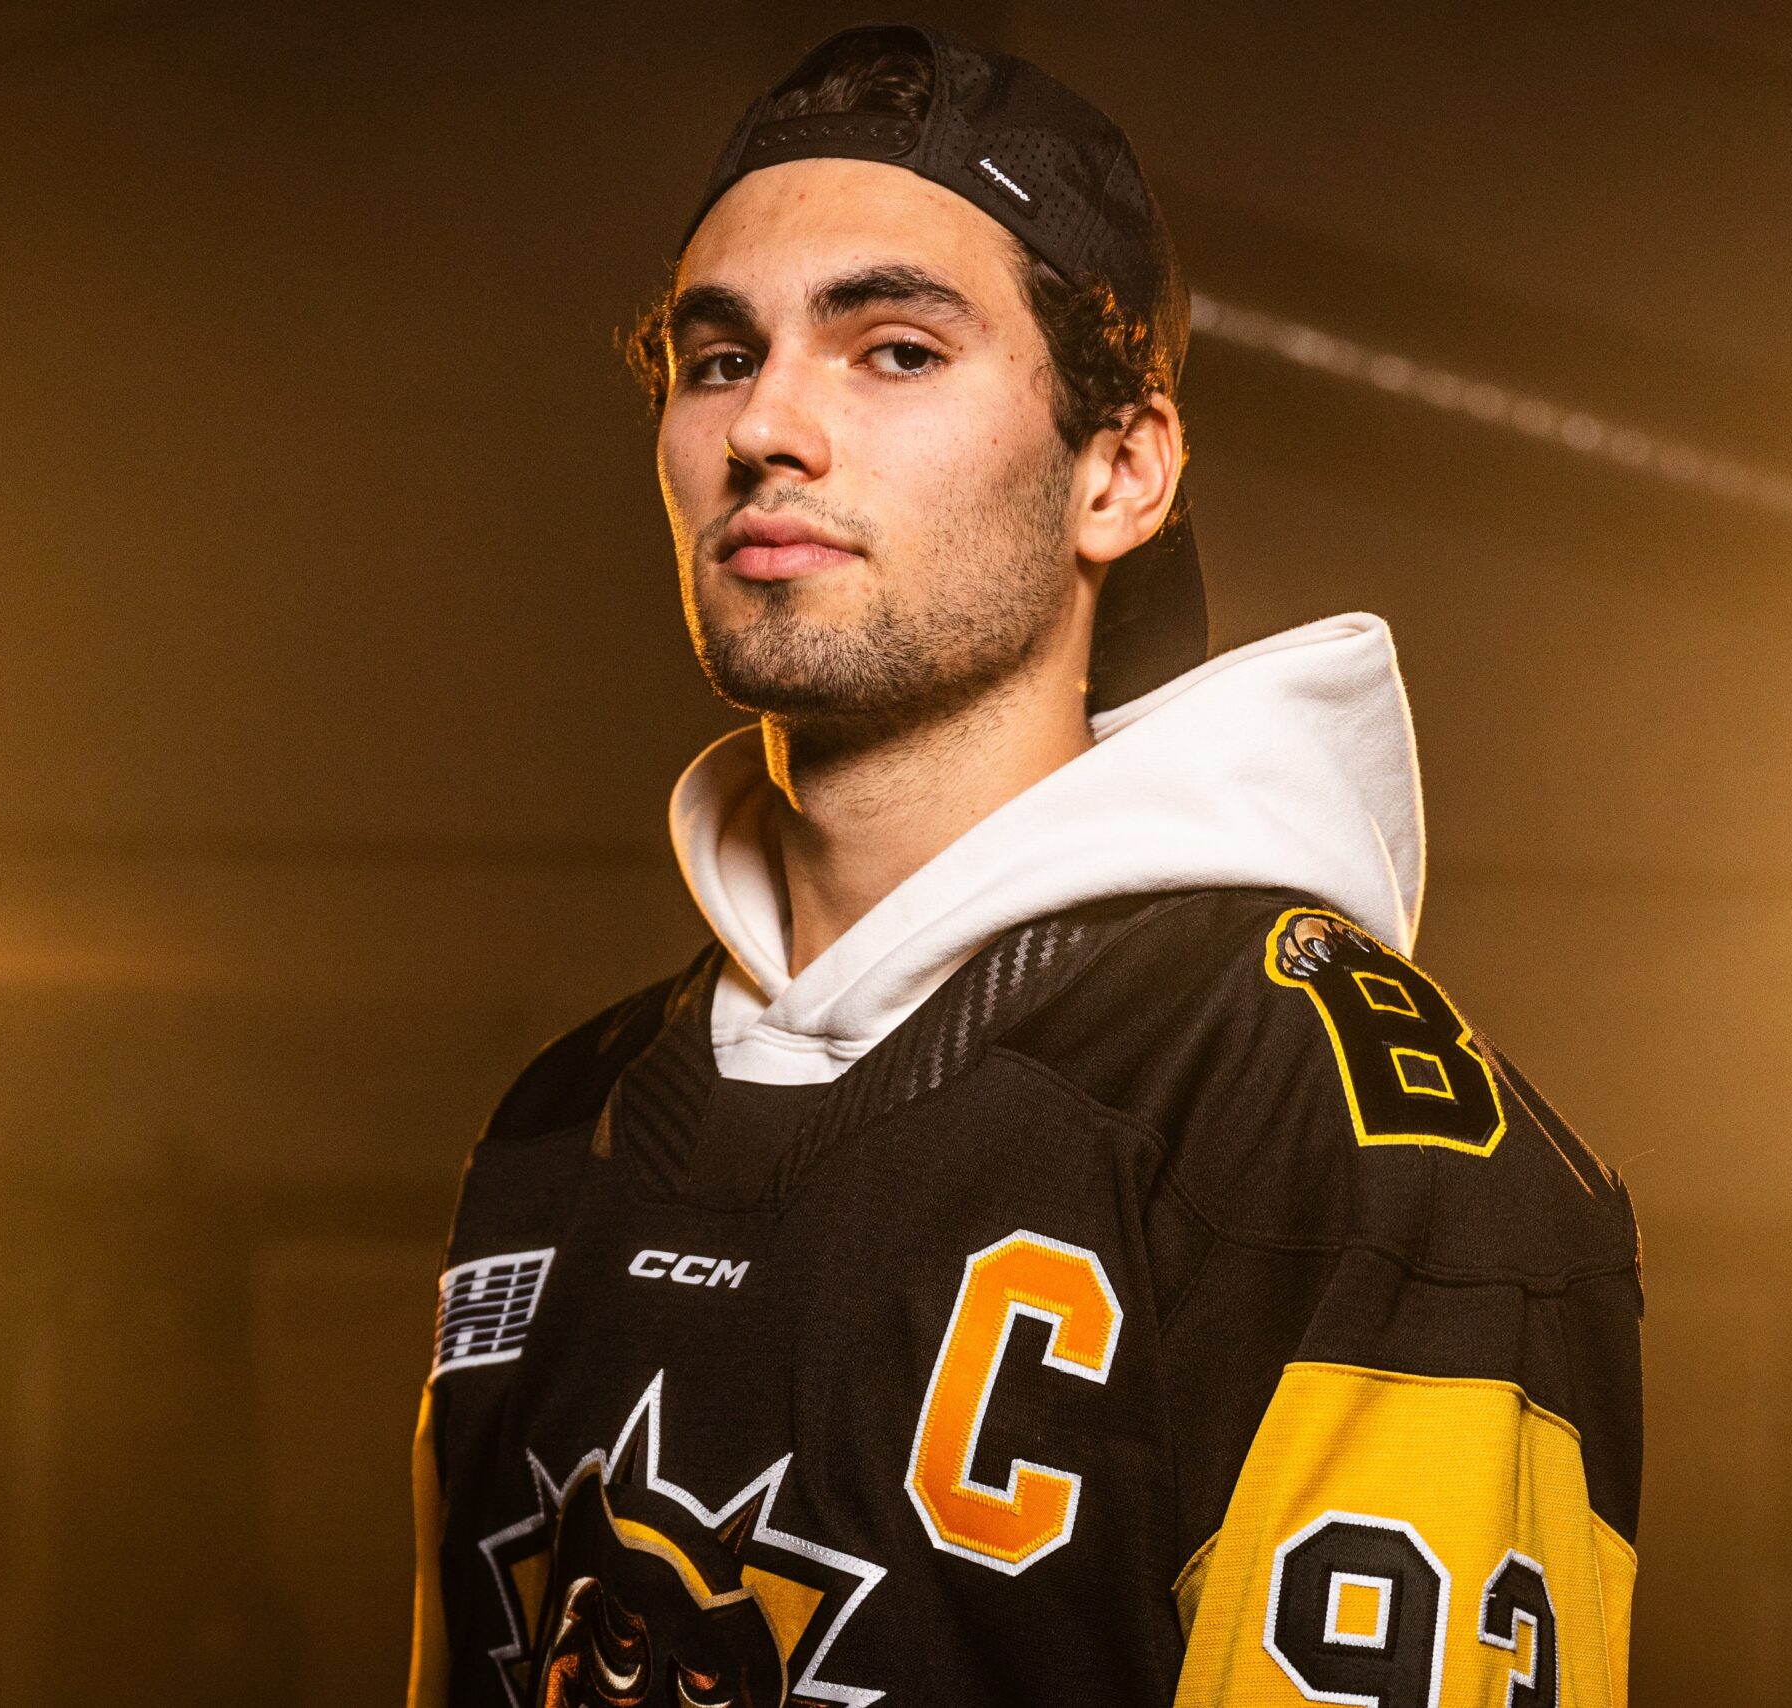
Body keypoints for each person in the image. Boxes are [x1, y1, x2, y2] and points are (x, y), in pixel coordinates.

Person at [410, 22, 1641, 1708]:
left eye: (896, 350)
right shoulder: (562, 1121)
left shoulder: (1334, 1134)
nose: (768, 423)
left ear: (1118, 474)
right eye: (718, 358)